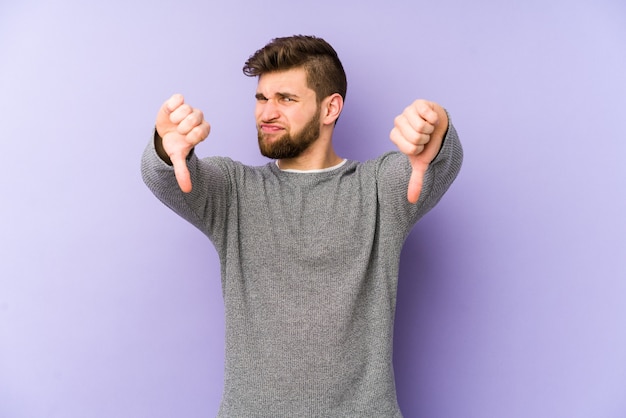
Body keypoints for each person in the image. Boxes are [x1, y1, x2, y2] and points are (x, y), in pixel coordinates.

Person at [141, 35, 463, 417]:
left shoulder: (378, 189)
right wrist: (165, 146)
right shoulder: (233, 190)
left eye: (286, 99)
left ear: (330, 108)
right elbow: (168, 178)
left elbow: (437, 162)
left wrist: (436, 124)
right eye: (261, 99)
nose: (266, 113)